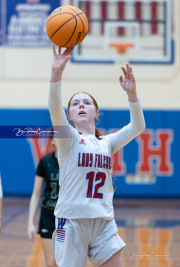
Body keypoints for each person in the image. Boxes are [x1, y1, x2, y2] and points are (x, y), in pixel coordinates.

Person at [48, 45, 145, 267]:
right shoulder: (68, 139)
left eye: (87, 102)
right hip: (71, 222)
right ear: (70, 116)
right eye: (75, 103)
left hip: (103, 223)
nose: (81, 105)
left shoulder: (107, 142)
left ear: (96, 113)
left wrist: (132, 95)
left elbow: (138, 126)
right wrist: (56, 74)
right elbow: (54, 109)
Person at [27, 132, 59, 267]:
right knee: (51, 263)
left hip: (68, 215)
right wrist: (30, 223)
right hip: (48, 214)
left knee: (68, 262)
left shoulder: (74, 162)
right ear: (52, 140)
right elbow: (36, 194)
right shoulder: (45, 161)